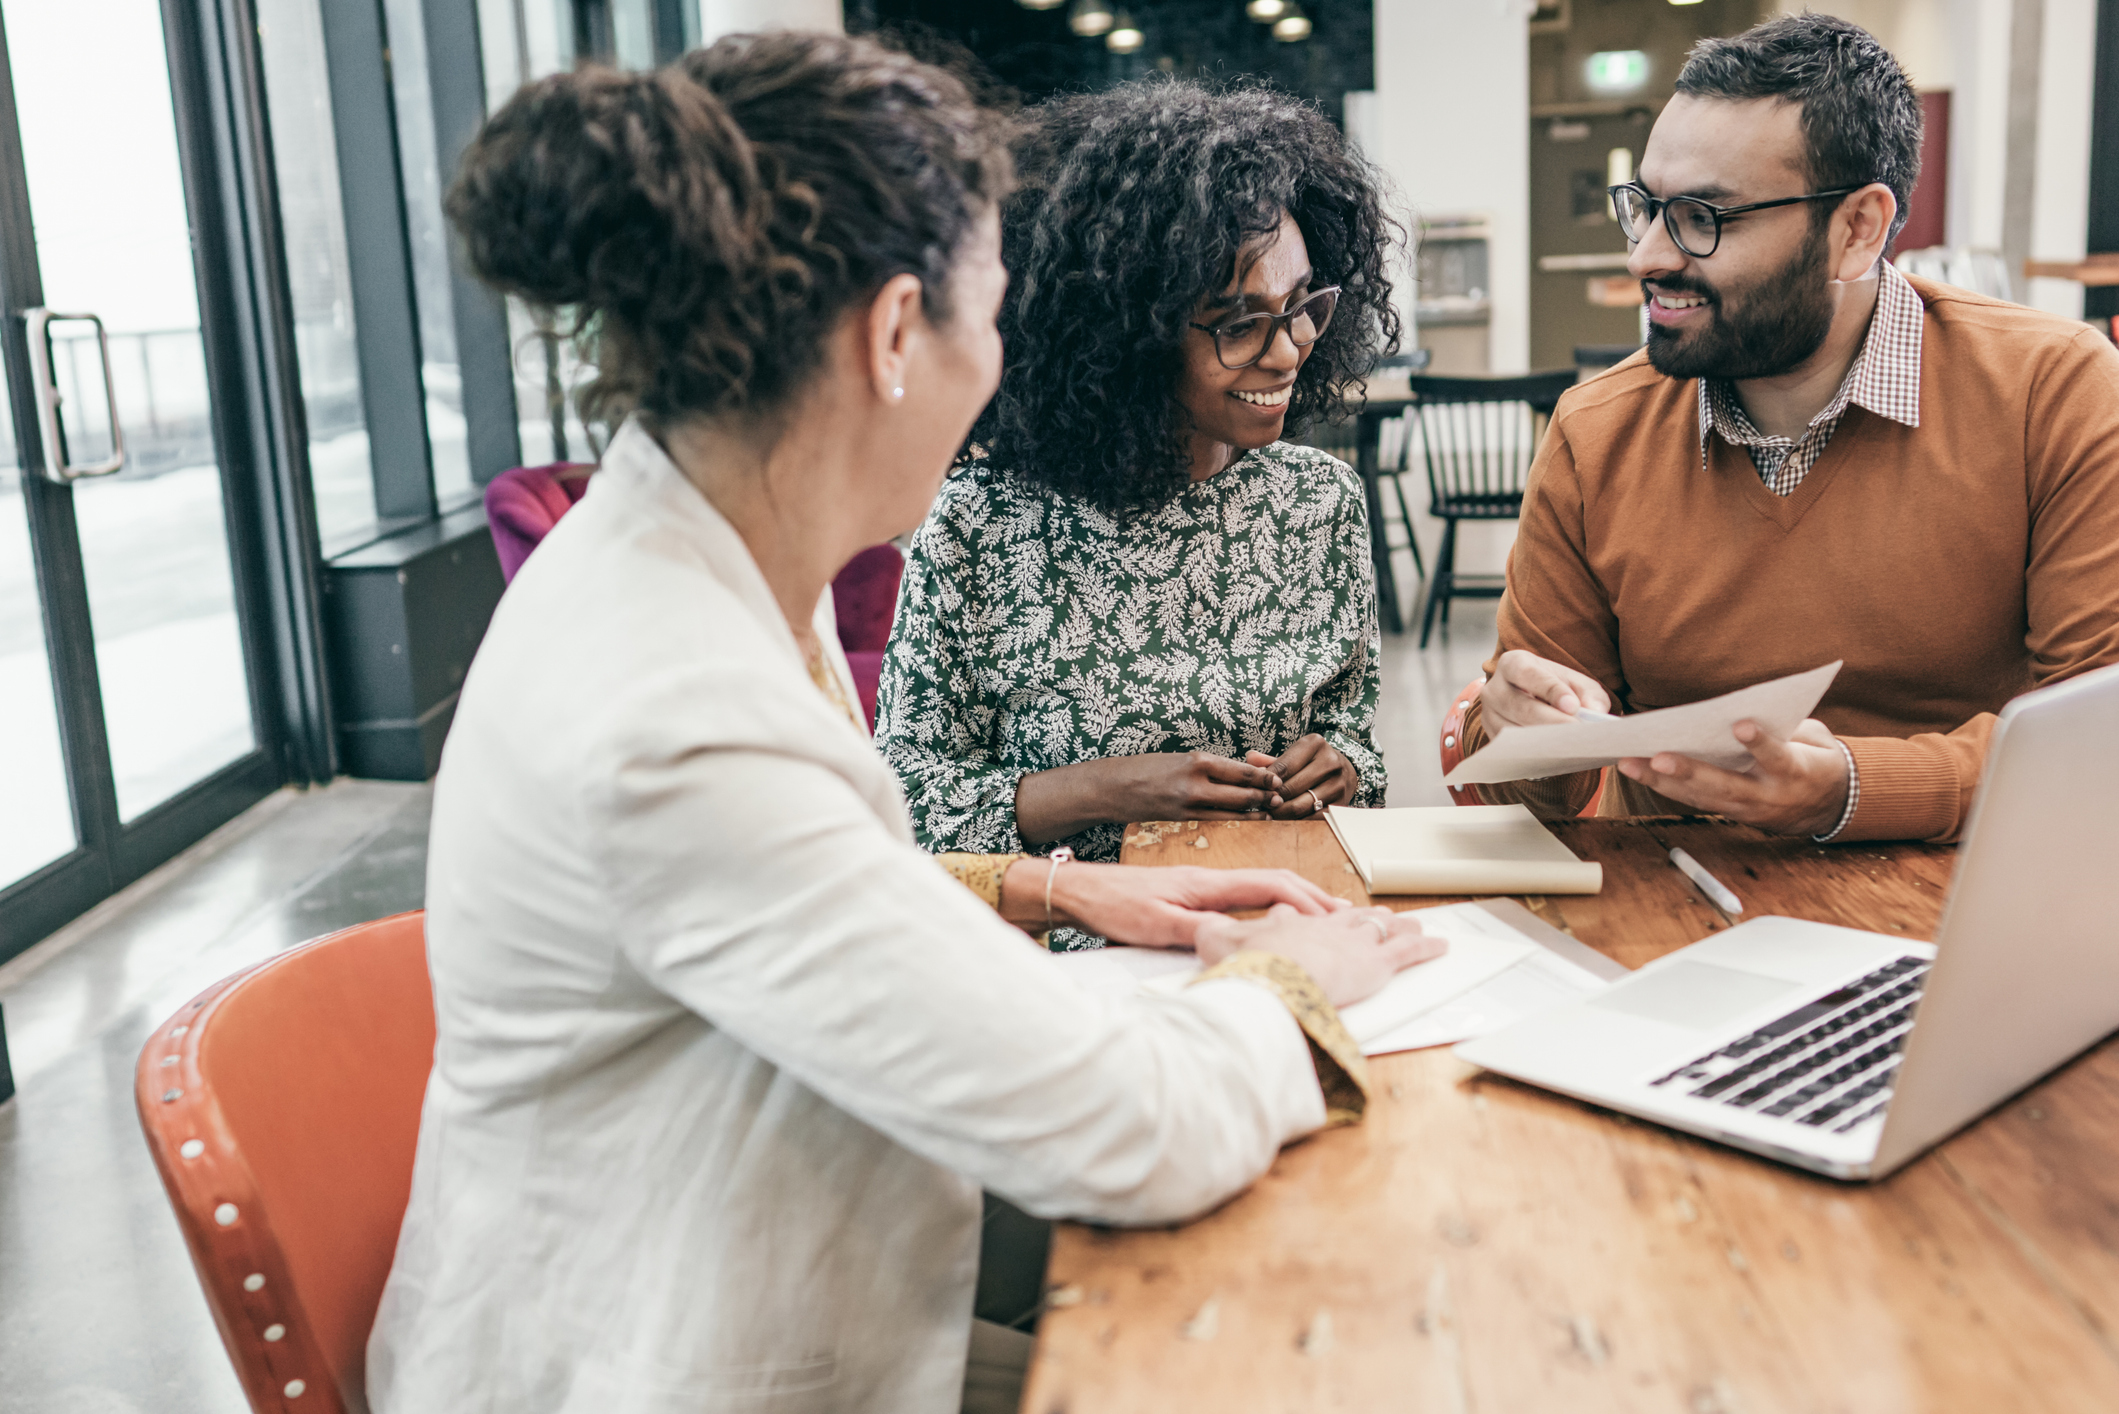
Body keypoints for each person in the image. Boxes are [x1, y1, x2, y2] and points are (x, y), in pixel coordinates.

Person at [364, 35, 1442, 1414]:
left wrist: (1053, 884)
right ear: (890, 336)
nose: (1002, 365)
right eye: (988, 314)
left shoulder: (709, 547)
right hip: (664, 1355)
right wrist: (1293, 975)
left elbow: (798, 886)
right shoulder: (672, 716)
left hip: (752, 1249)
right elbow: (1125, 1127)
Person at [1463, 14, 2119, 843]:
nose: (1646, 258)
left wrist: (1850, 789)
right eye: (1645, 206)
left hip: (1965, 908)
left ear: (1857, 229)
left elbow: (2099, 739)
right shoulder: (1596, 429)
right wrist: (1516, 735)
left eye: (1702, 216)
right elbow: (1523, 794)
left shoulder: (2050, 391)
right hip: (1677, 912)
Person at [875, 79, 1402, 910]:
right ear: (1127, 336)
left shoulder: (1318, 503)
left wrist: (1339, 763)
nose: (1286, 351)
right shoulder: (984, 521)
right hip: (1079, 943)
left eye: (1302, 306)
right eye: (1237, 321)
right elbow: (905, 801)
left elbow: (1358, 742)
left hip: (1292, 913)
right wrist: (1110, 790)